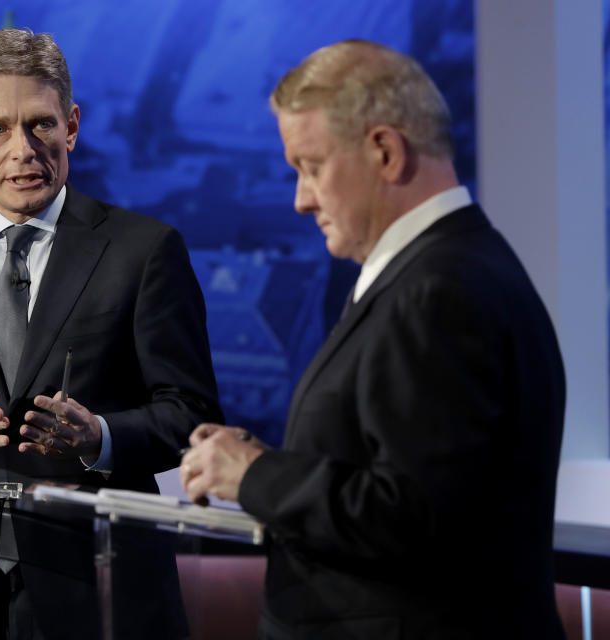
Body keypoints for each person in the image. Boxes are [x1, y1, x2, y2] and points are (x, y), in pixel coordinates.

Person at [180, 39, 566, 639]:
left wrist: (255, 476)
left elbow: (414, 516)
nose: (301, 199)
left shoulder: (439, 292)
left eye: (311, 167)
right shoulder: (446, 269)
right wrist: (256, 463)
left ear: (385, 151)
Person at [0, 28, 222, 639]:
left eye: (40, 125)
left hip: (100, 584)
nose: (23, 149)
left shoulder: (145, 251)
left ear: (72, 125)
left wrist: (99, 437)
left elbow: (190, 415)